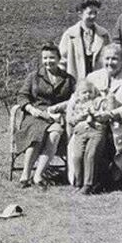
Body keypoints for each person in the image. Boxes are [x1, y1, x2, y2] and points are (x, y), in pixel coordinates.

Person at [15, 42, 75, 188]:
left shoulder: (68, 79)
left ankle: (38, 175)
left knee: (55, 134)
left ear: (59, 58)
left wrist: (62, 111)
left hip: (56, 116)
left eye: (52, 58)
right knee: (36, 133)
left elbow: (75, 99)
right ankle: (25, 174)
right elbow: (22, 96)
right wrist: (31, 109)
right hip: (35, 115)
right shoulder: (34, 77)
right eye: (45, 58)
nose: (48, 61)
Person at [85, 43, 122, 186]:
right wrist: (92, 113)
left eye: (115, 59)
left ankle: (103, 179)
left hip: (117, 122)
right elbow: (82, 99)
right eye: (107, 58)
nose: (110, 63)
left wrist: (111, 114)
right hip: (93, 120)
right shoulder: (92, 77)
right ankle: (85, 177)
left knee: (104, 137)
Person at [66, 80, 114, 194]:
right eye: (84, 92)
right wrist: (80, 117)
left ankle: (88, 184)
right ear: (78, 94)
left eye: (89, 92)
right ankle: (79, 183)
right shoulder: (76, 104)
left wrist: (97, 115)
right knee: (77, 156)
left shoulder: (98, 102)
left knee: (90, 155)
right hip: (80, 132)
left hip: (96, 131)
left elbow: (108, 114)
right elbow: (70, 121)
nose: (87, 95)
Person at [58, 0, 111, 82]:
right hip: (76, 82)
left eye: (95, 13)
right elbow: (61, 61)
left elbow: (110, 59)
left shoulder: (104, 34)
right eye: (89, 13)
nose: (93, 16)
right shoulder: (70, 35)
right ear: (80, 14)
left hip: (98, 82)